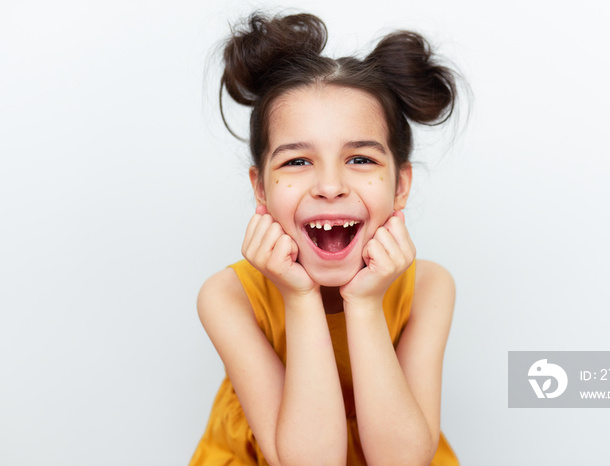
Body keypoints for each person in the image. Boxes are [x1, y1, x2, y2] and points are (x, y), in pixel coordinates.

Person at [191, 11, 461, 465]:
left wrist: (365, 302)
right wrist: (298, 298)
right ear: (260, 187)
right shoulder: (227, 296)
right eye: (297, 162)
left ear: (400, 186)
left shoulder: (428, 289)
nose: (330, 185)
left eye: (360, 159)